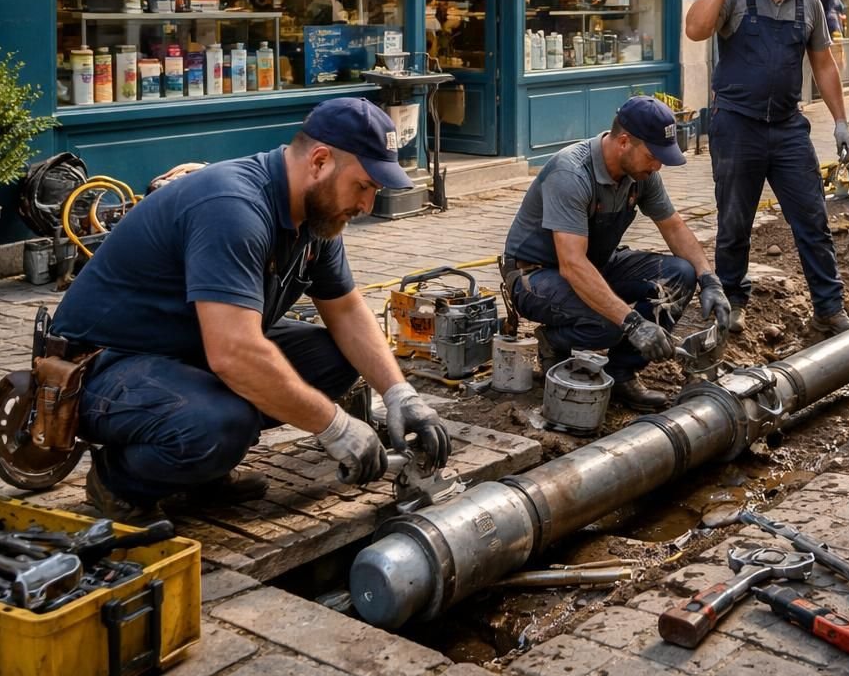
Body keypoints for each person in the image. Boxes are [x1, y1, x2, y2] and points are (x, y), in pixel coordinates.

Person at [50, 98, 453, 524]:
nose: (367, 205)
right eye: (364, 186)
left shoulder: (316, 220)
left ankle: (201, 466)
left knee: (335, 359)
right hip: (101, 367)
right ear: (319, 162)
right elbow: (233, 354)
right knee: (221, 423)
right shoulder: (233, 208)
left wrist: (399, 394)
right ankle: (119, 481)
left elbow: (347, 311)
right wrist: (333, 425)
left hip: (185, 352)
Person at [685, 0, 849, 337]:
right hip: (736, 124)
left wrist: (841, 122)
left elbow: (824, 65)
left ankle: (829, 309)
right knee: (734, 221)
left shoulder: (808, 3)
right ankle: (733, 300)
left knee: (813, 219)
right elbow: (695, 29)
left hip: (787, 127)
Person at [501, 97, 727, 411]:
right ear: (623, 142)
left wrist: (709, 279)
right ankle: (553, 341)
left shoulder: (641, 174)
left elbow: (674, 227)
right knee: (612, 322)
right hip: (536, 277)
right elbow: (572, 264)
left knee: (680, 275)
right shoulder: (571, 173)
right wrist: (633, 323)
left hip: (595, 264)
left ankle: (621, 373)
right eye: (653, 156)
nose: (657, 166)